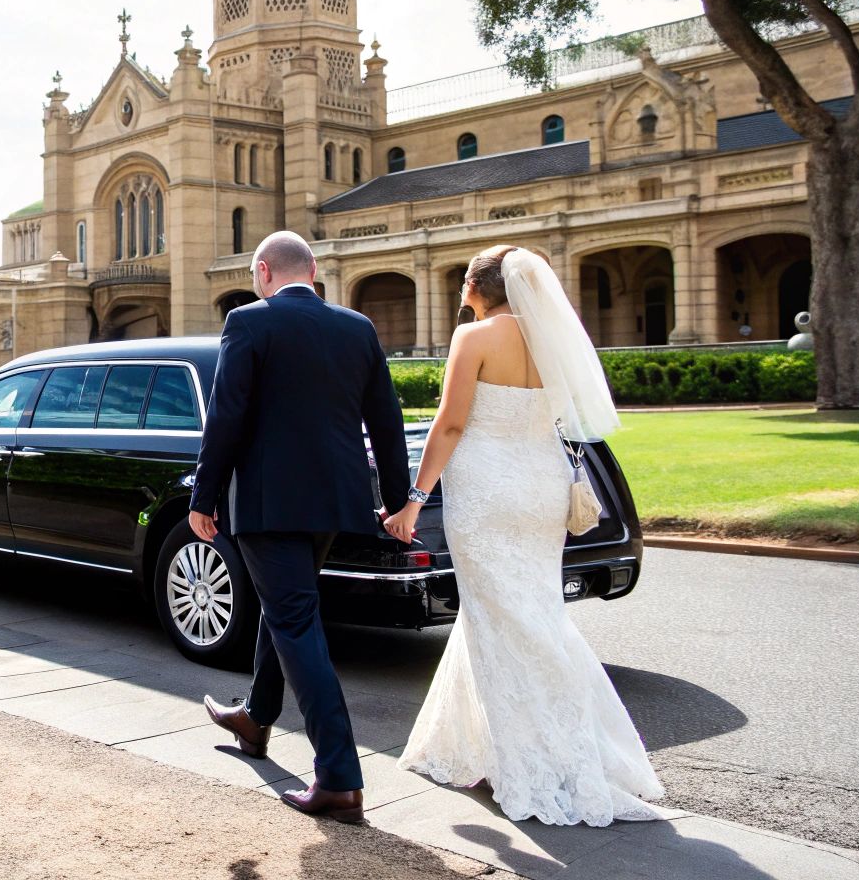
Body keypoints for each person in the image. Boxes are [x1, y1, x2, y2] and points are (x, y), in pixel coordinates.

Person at [383, 244, 663, 826]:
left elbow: (451, 423)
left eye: (465, 280)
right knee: (529, 611)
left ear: (478, 287)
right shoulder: (550, 337)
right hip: (542, 487)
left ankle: (533, 761)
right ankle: (482, 745)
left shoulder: (474, 337)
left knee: (502, 615)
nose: (462, 289)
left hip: (487, 492)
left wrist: (414, 500)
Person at [192, 231, 410, 825]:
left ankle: (339, 778)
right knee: (285, 605)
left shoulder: (247, 321)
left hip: (268, 503)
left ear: (263, 272)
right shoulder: (357, 327)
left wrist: (203, 496)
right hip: (334, 502)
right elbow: (386, 421)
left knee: (293, 620)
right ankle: (255, 719)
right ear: (313, 272)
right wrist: (397, 501)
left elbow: (226, 416)